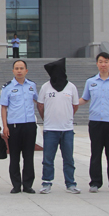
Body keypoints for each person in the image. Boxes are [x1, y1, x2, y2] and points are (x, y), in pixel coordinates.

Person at [80, 52, 109, 193]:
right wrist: (70, 102)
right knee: (95, 153)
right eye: (100, 62)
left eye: (106, 62)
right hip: (95, 122)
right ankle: (95, 182)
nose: (103, 64)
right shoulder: (91, 82)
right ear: (97, 64)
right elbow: (84, 99)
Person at [37, 58, 81, 194]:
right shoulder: (45, 87)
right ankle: (46, 183)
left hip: (67, 130)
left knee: (68, 159)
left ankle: (71, 183)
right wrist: (46, 118)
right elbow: (40, 105)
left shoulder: (71, 87)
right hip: (50, 129)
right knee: (48, 159)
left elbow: (75, 105)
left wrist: (67, 116)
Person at [0, 59, 38, 194]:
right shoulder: (7, 87)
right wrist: (5, 126)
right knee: (15, 157)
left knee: (29, 156)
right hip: (14, 126)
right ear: (13, 71)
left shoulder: (32, 85)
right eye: (16, 68)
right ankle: (16, 185)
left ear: (26, 70)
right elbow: (3, 108)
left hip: (29, 125)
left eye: (21, 68)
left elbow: (38, 101)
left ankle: (28, 185)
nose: (19, 71)